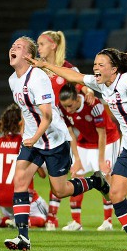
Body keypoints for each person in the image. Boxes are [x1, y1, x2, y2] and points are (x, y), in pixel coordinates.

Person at [26, 47, 127, 251]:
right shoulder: (101, 83)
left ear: (113, 69)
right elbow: (74, 76)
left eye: (100, 64)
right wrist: (46, 65)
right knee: (115, 194)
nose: (95, 67)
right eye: (94, 64)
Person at [5, 37, 110, 251]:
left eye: (19, 47)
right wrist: (29, 135)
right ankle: (23, 238)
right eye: (12, 46)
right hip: (34, 140)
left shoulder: (38, 78)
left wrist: (34, 138)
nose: (12, 49)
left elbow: (47, 116)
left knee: (60, 190)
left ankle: (96, 182)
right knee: (20, 181)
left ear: (28, 55)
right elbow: (27, 111)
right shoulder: (12, 80)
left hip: (54, 140)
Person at [36, 30, 95, 230]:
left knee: (57, 177)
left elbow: (82, 82)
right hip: (39, 127)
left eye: (41, 44)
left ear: (53, 45)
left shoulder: (67, 68)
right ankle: (32, 217)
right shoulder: (37, 69)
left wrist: (88, 91)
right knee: (36, 175)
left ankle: (52, 218)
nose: (38, 48)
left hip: (59, 130)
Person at [58, 83, 121, 231]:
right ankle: (76, 222)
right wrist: (77, 160)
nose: (67, 110)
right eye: (65, 106)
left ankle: (108, 221)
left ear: (76, 98)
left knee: (106, 178)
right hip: (84, 142)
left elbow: (102, 133)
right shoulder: (62, 108)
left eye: (70, 105)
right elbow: (70, 133)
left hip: (108, 140)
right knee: (75, 176)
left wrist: (101, 161)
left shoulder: (94, 105)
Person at [0, 103, 48, 230]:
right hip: (21, 196)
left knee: (14, 210)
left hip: (2, 199)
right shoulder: (25, 143)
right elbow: (43, 174)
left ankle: (2, 219)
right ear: (21, 123)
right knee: (45, 215)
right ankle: (19, 221)